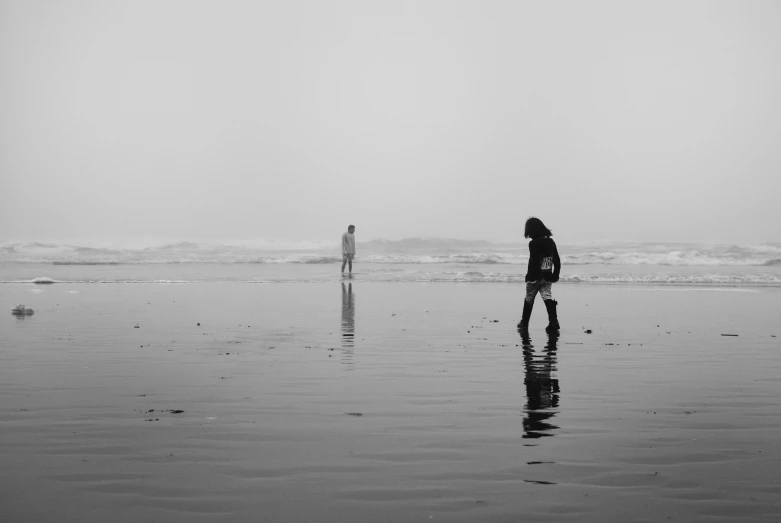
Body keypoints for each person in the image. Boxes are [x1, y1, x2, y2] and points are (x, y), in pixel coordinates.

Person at [518, 217, 561, 332]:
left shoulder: (533, 244)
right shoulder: (551, 242)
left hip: (534, 277)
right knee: (547, 297)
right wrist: (555, 275)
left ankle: (524, 322)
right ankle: (554, 321)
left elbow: (535, 261)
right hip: (548, 276)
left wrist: (534, 276)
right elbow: (556, 260)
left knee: (529, 299)